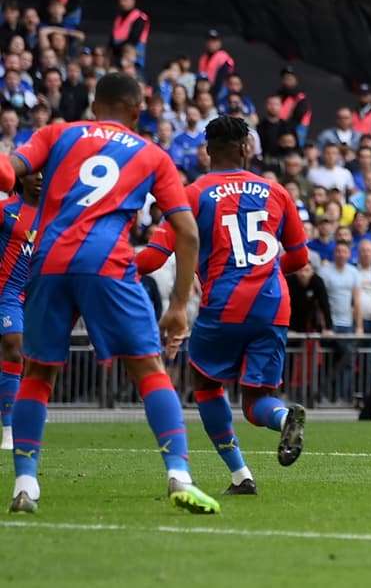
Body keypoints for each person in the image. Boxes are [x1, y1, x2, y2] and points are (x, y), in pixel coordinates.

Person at [0, 73, 218, 514]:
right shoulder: (152, 153)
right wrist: (178, 307)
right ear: (138, 112)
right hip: (107, 262)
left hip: (50, 258)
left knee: (39, 373)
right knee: (148, 368)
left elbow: (9, 170)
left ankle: (26, 483)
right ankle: (179, 474)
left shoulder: (57, 133)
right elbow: (188, 233)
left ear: (94, 105)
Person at [137, 116, 310, 495]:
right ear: (247, 148)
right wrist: (262, 270)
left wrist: (110, 267)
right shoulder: (277, 192)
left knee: (206, 382)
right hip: (273, 302)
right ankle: (283, 419)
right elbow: (299, 259)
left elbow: (154, 256)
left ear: (207, 151)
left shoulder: (194, 193)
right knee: (255, 401)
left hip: (226, 301)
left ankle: (240, 475)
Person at [0, 174, 39, 451]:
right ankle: (9, 430)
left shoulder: (57, 213)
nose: (39, 177)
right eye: (33, 172)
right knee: (14, 346)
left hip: (38, 294)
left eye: (44, 172)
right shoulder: (6, 211)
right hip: (7, 291)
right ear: (20, 178)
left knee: (29, 356)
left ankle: (18, 421)